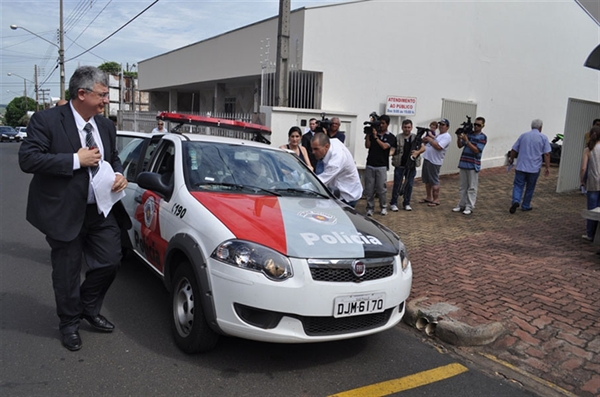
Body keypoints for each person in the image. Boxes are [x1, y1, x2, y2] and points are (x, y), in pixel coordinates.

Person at [19, 66, 131, 351]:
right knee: (67, 273)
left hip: (100, 209)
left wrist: (119, 175)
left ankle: (87, 308)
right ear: (82, 93)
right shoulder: (46, 120)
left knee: (110, 261)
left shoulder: (105, 126)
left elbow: (113, 159)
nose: (107, 100)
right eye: (103, 94)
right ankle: (69, 323)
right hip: (64, 211)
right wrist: (74, 160)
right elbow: (28, 160)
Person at [507, 119, 551, 213]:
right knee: (530, 187)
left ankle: (516, 200)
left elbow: (514, 149)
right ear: (540, 127)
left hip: (521, 165)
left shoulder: (523, 136)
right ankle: (526, 205)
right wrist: (547, 167)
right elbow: (546, 154)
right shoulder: (543, 137)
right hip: (534, 168)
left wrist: (511, 159)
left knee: (518, 185)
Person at [311, 133, 362, 207]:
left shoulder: (336, 160)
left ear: (326, 146)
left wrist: (299, 187)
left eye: (316, 149)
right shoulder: (332, 142)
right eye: (312, 148)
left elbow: (320, 182)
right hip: (338, 191)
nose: (313, 152)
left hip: (347, 196)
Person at [452, 117, 488, 215]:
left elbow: (477, 150)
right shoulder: (469, 134)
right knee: (463, 186)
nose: (476, 126)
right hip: (464, 162)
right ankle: (461, 204)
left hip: (473, 164)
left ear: (482, 126)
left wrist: (467, 141)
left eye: (478, 125)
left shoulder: (482, 137)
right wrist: (459, 137)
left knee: (472, 187)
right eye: (475, 124)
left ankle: (469, 205)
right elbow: (460, 145)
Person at [364, 114, 397, 216]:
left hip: (382, 165)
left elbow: (384, 147)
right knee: (369, 189)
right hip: (370, 164)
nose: (381, 125)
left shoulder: (390, 137)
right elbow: (367, 146)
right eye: (380, 123)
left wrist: (376, 137)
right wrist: (369, 136)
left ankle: (383, 207)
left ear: (387, 124)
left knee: (381, 189)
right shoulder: (373, 133)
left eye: (383, 123)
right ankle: (370, 208)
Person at [389, 119, 425, 211]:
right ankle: (393, 203)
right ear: (402, 127)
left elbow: (423, 148)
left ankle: (406, 203)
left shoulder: (416, 138)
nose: (407, 129)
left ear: (411, 127)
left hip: (411, 166)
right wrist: (388, 153)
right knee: (397, 184)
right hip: (400, 164)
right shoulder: (397, 137)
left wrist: (417, 152)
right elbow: (393, 149)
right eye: (405, 127)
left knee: (409, 185)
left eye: (408, 127)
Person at [420, 118, 452, 207]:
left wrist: (430, 140)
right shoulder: (438, 135)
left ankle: (436, 199)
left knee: (434, 181)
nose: (441, 126)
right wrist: (426, 140)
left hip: (434, 162)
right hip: (427, 159)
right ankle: (429, 197)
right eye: (440, 124)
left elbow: (439, 147)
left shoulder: (447, 136)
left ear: (447, 127)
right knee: (427, 180)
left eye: (443, 125)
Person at [580, 126, 600, 241]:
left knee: (591, 209)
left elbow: (583, 168)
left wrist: (582, 180)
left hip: (592, 183)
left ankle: (590, 234)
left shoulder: (588, 150)